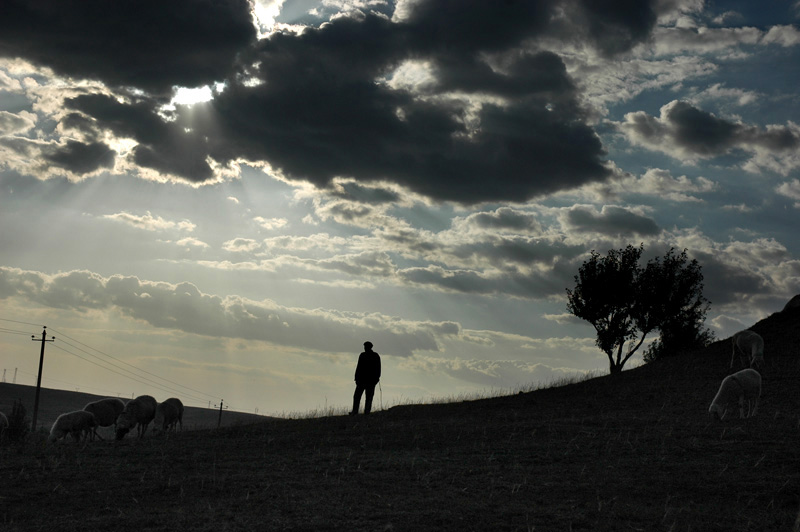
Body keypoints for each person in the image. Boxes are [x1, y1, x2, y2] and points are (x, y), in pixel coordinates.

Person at [350, 341, 381, 415]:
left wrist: (376, 379)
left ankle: (365, 412)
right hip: (362, 381)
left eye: (366, 347)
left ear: (369, 347)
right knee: (358, 396)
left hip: (368, 381)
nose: (365, 348)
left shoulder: (374, 356)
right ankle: (356, 411)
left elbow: (378, 368)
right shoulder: (364, 355)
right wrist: (356, 378)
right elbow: (359, 367)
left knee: (368, 397)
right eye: (365, 347)